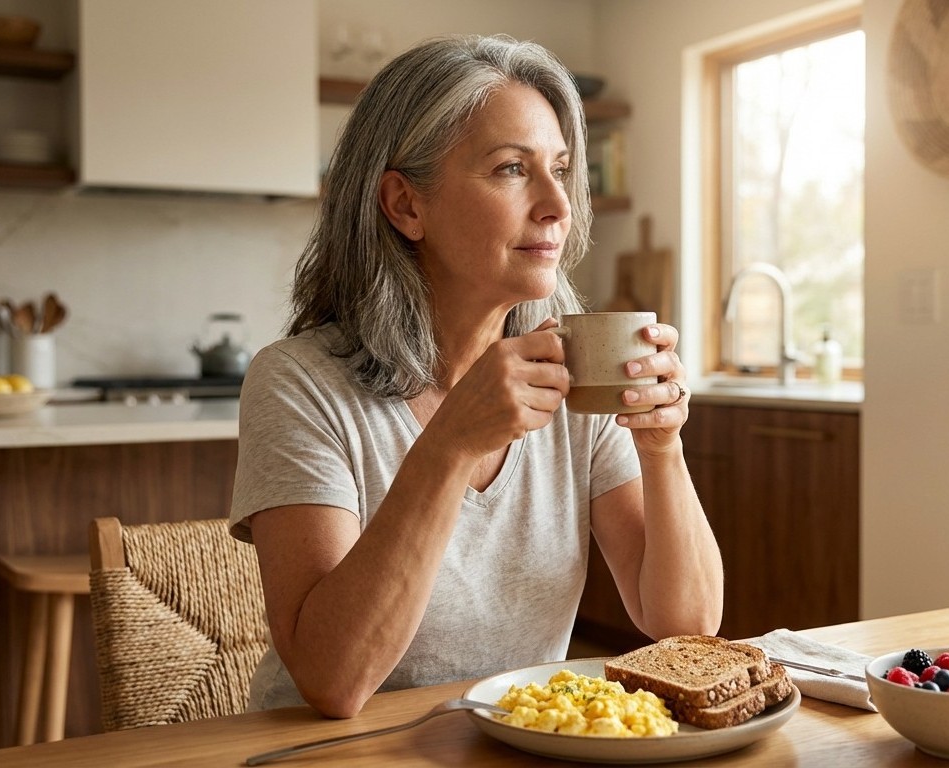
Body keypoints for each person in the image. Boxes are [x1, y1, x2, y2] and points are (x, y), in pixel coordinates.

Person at [228, 34, 724, 718]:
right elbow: (333, 682)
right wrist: (449, 445)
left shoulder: (575, 371)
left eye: (559, 168)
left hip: (523, 743)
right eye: (511, 169)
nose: (557, 204)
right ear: (405, 206)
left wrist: (661, 446)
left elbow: (685, 623)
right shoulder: (299, 383)